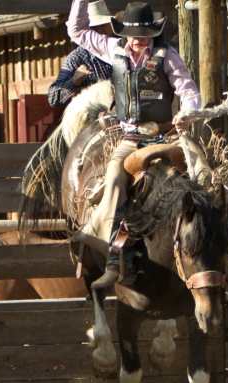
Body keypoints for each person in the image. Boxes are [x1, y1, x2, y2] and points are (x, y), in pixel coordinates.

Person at [67, 0, 201, 289]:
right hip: (130, 139)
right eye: (136, 33)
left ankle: (211, 248)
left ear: (153, 33)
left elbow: (187, 88)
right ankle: (114, 254)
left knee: (201, 179)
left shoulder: (167, 56)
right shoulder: (112, 49)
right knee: (115, 180)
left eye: (145, 34)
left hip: (165, 137)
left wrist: (188, 111)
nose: (140, 39)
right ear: (125, 32)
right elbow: (76, 31)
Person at [47, 0, 115, 108]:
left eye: (103, 25)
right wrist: (74, 81)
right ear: (86, 31)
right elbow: (53, 99)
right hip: (92, 116)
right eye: (93, 28)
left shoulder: (122, 47)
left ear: (111, 26)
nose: (99, 31)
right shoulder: (76, 58)